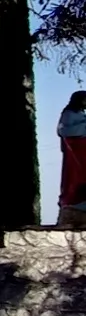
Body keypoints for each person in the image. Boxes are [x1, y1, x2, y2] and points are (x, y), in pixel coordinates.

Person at [59, 92, 86, 229]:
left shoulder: (81, 114)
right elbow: (65, 132)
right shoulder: (68, 114)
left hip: (83, 151)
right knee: (75, 177)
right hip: (76, 152)